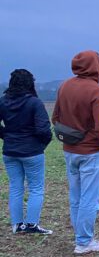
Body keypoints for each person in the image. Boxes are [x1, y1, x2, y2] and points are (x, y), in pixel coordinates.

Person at [52, 50, 99, 254]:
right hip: (92, 152)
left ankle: (80, 237)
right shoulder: (96, 91)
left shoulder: (64, 86)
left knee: (76, 196)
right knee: (90, 197)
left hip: (70, 150)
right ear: (95, 66)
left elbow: (55, 117)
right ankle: (84, 241)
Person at [0, 69, 53, 234]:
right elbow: (44, 129)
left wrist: (7, 136)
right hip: (32, 152)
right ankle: (31, 224)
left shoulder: (2, 102)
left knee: (16, 187)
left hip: (10, 151)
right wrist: (41, 144)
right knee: (36, 188)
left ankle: (17, 224)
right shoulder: (35, 103)